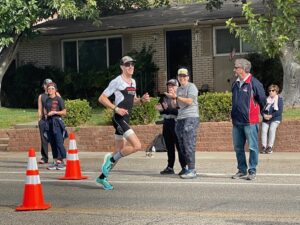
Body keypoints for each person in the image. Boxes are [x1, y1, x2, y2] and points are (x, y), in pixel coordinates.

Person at [96, 55, 150, 190]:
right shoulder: (117, 81)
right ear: (122, 67)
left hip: (126, 118)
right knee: (137, 145)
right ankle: (110, 160)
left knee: (118, 151)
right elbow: (102, 98)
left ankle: (102, 178)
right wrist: (116, 108)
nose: (131, 67)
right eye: (127, 65)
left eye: (132, 64)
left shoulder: (133, 82)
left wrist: (142, 100)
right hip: (118, 119)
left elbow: (133, 101)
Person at [231, 58, 266, 180]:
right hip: (237, 122)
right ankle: (241, 170)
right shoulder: (235, 84)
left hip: (250, 122)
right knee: (238, 147)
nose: (234, 69)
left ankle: (252, 171)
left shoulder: (254, 83)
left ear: (243, 69)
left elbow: (262, 100)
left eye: (236, 67)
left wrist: (261, 112)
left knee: (252, 147)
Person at [165, 67, 199, 179]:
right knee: (181, 143)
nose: (182, 78)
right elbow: (176, 106)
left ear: (188, 77)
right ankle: (186, 168)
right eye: (180, 76)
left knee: (189, 143)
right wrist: (173, 98)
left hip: (191, 117)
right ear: (178, 78)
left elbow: (189, 101)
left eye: (184, 76)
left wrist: (176, 96)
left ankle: (192, 170)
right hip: (180, 118)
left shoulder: (191, 87)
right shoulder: (178, 90)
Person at [156, 79, 186, 175]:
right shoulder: (164, 97)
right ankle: (170, 167)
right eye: (169, 86)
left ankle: (184, 167)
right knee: (169, 146)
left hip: (176, 123)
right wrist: (161, 110)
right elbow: (161, 110)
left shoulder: (179, 97)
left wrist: (167, 109)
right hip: (167, 123)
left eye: (172, 86)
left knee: (179, 146)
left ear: (177, 87)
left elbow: (178, 111)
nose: (170, 88)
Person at [44, 82, 68, 170]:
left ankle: (65, 162)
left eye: (52, 88)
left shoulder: (59, 99)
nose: (50, 90)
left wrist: (55, 112)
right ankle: (55, 162)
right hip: (49, 123)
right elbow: (45, 110)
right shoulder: (47, 100)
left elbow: (64, 112)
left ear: (55, 89)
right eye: (49, 88)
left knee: (59, 142)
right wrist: (46, 115)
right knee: (52, 143)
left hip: (57, 123)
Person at [37, 78, 61, 164]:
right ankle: (44, 157)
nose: (48, 87)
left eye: (50, 85)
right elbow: (40, 108)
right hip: (44, 120)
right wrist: (39, 119)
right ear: (44, 86)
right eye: (46, 85)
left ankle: (58, 157)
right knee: (44, 139)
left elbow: (60, 106)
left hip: (54, 120)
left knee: (56, 138)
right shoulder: (41, 96)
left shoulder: (56, 95)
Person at [260, 84, 283, 154]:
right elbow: (261, 110)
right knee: (264, 130)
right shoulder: (266, 100)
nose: (271, 92)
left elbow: (280, 111)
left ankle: (270, 147)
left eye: (273, 90)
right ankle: (264, 147)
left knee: (272, 129)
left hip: (275, 118)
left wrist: (271, 116)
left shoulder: (279, 100)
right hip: (266, 118)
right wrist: (263, 115)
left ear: (276, 91)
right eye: (269, 90)